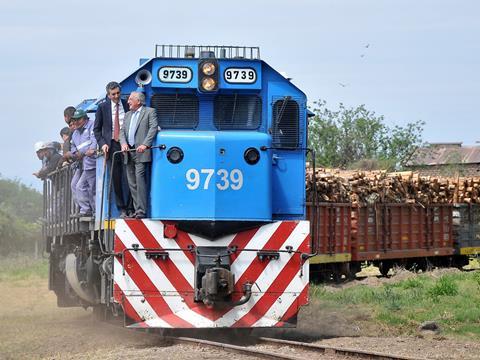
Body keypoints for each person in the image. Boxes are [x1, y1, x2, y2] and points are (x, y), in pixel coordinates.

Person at [93, 81, 131, 217]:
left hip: (128, 145)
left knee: (130, 177)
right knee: (116, 178)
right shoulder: (102, 108)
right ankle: (122, 208)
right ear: (108, 95)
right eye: (113, 94)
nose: (116, 96)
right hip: (112, 145)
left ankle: (131, 206)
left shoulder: (127, 104)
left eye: (118, 93)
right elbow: (96, 130)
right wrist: (102, 143)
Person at [119, 92, 158, 219]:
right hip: (128, 152)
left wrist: (145, 144)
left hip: (141, 152)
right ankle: (137, 209)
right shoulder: (127, 115)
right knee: (132, 183)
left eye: (130, 99)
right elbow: (122, 132)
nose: (128, 101)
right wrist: (123, 144)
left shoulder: (149, 112)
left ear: (139, 101)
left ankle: (141, 210)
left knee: (140, 180)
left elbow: (153, 128)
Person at [70, 109, 97, 217]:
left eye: (79, 119)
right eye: (75, 120)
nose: (76, 122)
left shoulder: (92, 125)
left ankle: (87, 210)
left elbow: (94, 141)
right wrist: (75, 154)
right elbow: (73, 147)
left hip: (93, 163)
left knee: (85, 187)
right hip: (84, 165)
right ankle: (87, 209)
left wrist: (88, 151)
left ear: (85, 118)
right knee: (80, 186)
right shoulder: (75, 133)